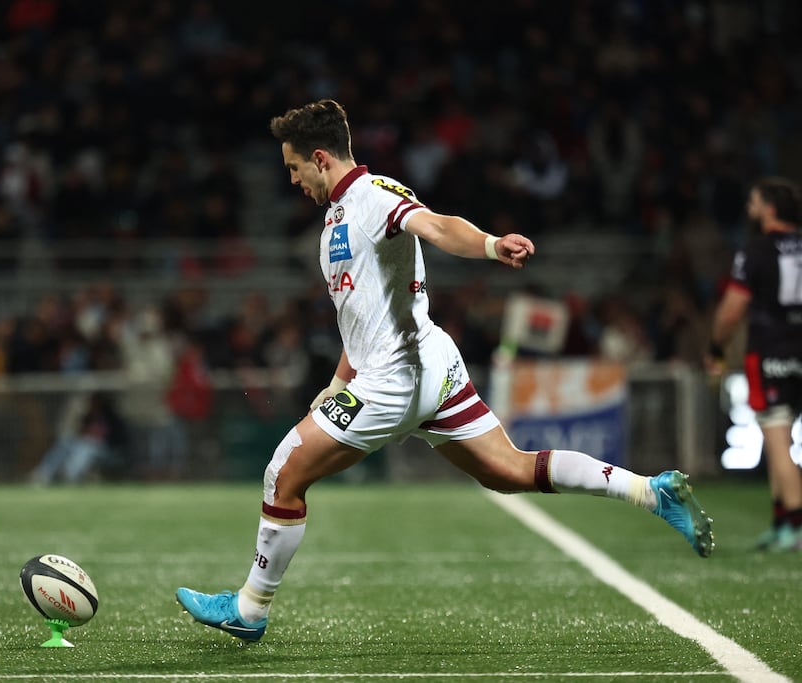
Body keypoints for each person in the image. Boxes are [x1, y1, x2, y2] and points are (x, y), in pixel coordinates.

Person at [175, 99, 714, 643]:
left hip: (394, 379)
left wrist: (489, 245)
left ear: (319, 158)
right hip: (427, 365)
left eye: (293, 168)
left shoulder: (371, 197)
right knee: (508, 471)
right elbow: (360, 317)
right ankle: (651, 492)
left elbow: (434, 225)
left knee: (283, 472)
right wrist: (336, 386)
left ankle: (249, 609)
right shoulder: (337, 219)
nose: (291, 180)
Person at [709, 176, 802, 551]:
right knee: (782, 437)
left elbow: (732, 309)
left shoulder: (756, 250)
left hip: (770, 352)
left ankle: (795, 523)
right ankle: (782, 522)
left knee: (777, 440)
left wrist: (715, 347)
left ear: (770, 208)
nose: (750, 207)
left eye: (755, 201)